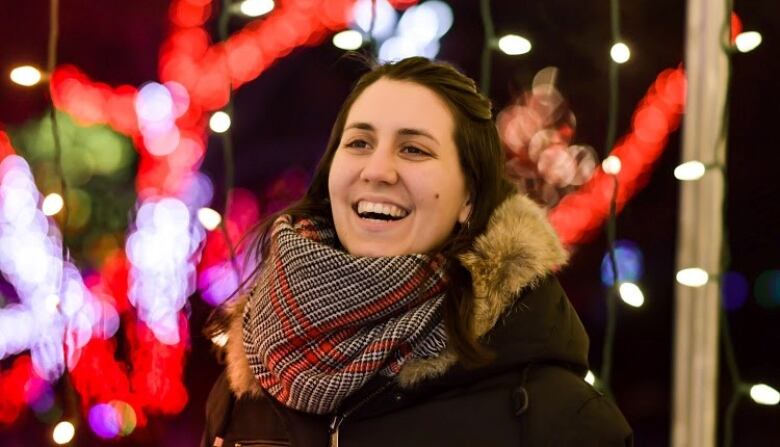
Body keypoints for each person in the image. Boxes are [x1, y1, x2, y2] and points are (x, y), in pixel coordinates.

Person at [202, 56, 633, 447]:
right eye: (358, 143)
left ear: (469, 198)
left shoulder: (559, 420)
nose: (377, 170)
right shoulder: (248, 384)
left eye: (414, 149)